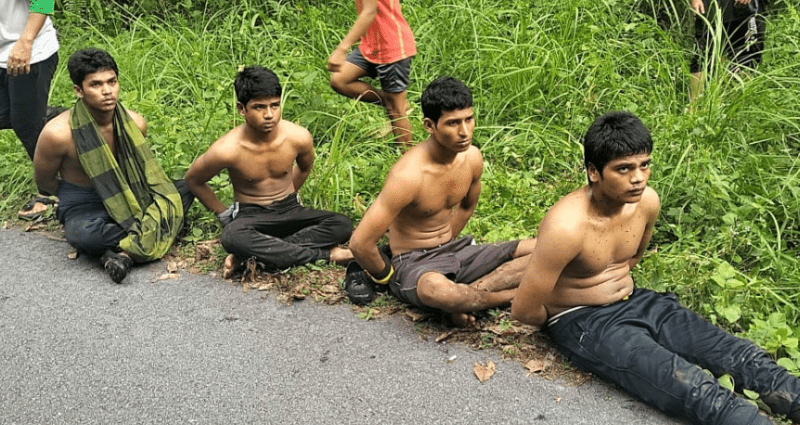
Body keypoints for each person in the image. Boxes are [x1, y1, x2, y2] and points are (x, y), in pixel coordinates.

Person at [511, 111, 800, 425]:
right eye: (624, 169)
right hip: (585, 321)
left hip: (637, 300)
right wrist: (564, 326)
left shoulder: (646, 202)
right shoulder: (565, 226)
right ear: (594, 172)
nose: (638, 178)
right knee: (698, 391)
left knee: (740, 356)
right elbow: (524, 309)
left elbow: (633, 257)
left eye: (644, 165)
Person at [349, 76, 536, 325]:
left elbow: (467, 206)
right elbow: (361, 243)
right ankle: (507, 296)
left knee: (549, 248)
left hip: (456, 250)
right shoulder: (408, 176)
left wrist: (448, 239)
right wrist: (388, 278)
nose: (464, 131)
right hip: (415, 263)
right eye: (453, 123)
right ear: (429, 125)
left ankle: (470, 296)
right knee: (437, 291)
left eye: (468, 119)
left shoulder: (472, 159)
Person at [33, 48, 193, 284]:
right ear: (79, 90)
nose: (107, 92)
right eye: (96, 85)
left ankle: (123, 255)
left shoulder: (135, 123)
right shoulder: (57, 135)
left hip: (133, 193)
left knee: (185, 189)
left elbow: (142, 173)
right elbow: (45, 183)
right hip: (85, 204)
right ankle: (155, 228)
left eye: (112, 82)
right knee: (85, 236)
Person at [185, 65, 353, 278]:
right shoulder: (227, 149)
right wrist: (224, 214)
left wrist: (291, 193)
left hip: (290, 209)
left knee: (341, 224)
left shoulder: (297, 137)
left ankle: (249, 256)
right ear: (241, 109)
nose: (269, 115)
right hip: (252, 214)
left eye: (275, 105)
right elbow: (194, 179)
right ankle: (327, 256)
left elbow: (304, 166)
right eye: (259, 107)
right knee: (232, 237)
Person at [327, 0, 416, 148]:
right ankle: (394, 103)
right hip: (371, 46)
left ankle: (409, 163)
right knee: (340, 80)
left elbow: (369, 11)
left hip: (391, 45)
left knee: (396, 112)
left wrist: (342, 49)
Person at [0, 0, 60, 219]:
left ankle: (51, 194)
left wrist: (25, 42)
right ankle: (60, 118)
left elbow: (43, 2)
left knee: (28, 126)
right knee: (15, 116)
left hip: (30, 52)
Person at [689, 0, 762, 102]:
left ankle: (739, 106)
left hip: (742, 8)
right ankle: (693, 108)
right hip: (708, 6)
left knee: (745, 56)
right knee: (702, 55)